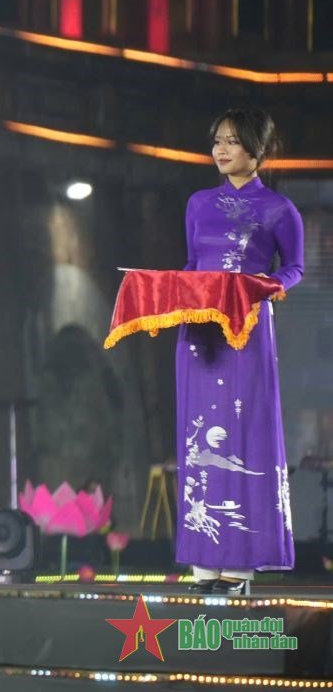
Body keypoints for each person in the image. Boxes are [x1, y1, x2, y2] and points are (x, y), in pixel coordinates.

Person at [178, 109, 303, 596]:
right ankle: (203, 565)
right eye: (216, 141)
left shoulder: (278, 209)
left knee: (242, 436)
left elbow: (293, 268)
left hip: (246, 330)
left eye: (232, 142)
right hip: (199, 330)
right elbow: (193, 264)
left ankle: (240, 566)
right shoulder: (197, 203)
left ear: (259, 151)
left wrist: (264, 287)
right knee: (197, 438)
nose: (221, 150)